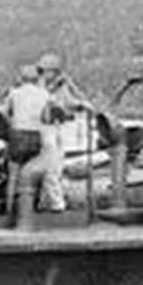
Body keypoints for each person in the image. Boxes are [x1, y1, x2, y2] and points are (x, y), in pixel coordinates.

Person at [35, 52, 94, 212]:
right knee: (51, 166)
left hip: (56, 128)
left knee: (57, 166)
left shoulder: (61, 86)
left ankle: (44, 202)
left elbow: (67, 102)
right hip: (44, 129)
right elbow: (46, 101)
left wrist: (81, 104)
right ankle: (57, 204)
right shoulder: (37, 86)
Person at [0, 64, 53, 229]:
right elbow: (46, 117)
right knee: (32, 176)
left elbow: (4, 113)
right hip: (35, 135)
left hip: (17, 135)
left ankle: (9, 215)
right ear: (37, 79)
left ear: (21, 78)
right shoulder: (45, 94)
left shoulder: (14, 93)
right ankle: (29, 212)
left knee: (14, 175)